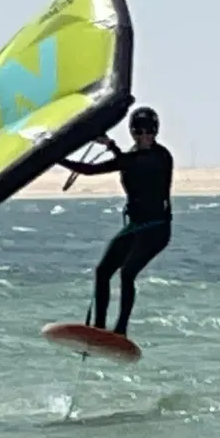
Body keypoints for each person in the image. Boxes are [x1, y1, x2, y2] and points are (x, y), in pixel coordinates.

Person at [58, 106, 174, 336]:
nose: (144, 137)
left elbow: (123, 164)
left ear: (155, 132)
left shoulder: (160, 157)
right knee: (103, 272)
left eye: (149, 132)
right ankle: (99, 328)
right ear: (132, 132)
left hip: (157, 231)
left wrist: (55, 158)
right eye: (138, 132)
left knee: (127, 273)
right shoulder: (131, 156)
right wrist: (111, 147)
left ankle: (121, 330)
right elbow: (108, 166)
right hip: (136, 228)